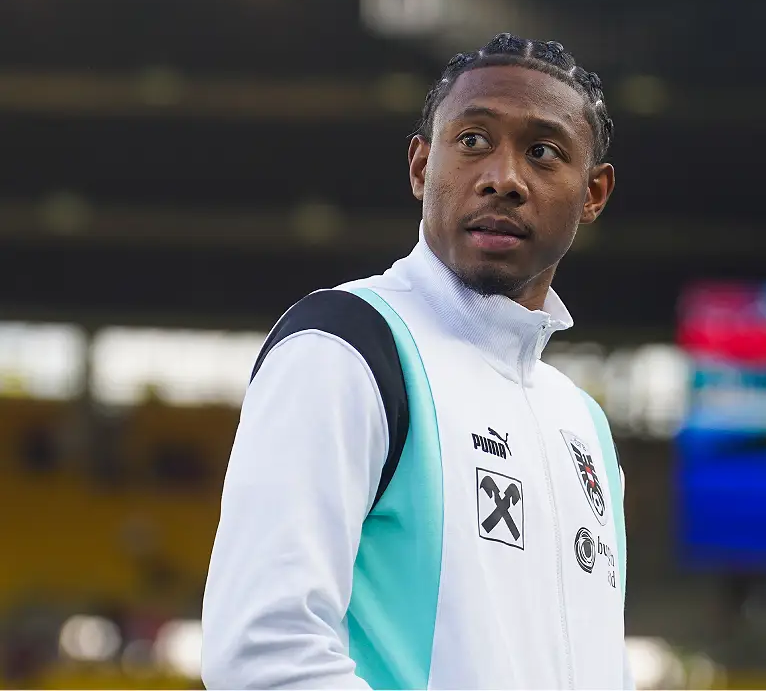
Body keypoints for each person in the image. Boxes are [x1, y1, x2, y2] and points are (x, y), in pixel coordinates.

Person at [202, 34, 631, 689]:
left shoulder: (584, 426)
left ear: (593, 193)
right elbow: (264, 652)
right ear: (420, 166)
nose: (503, 178)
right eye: (473, 141)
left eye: (542, 152)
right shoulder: (347, 346)